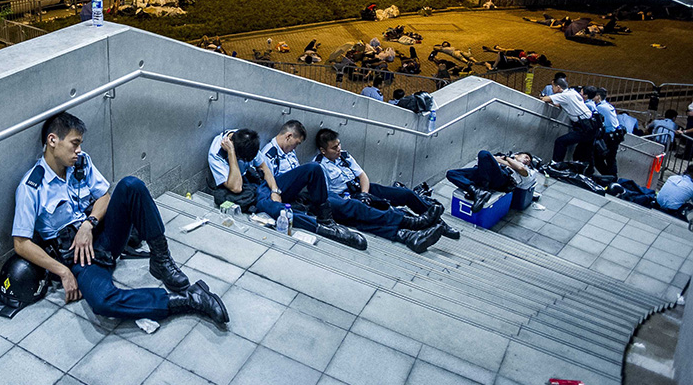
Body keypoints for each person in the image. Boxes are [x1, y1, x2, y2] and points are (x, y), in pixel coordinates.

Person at [12, 112, 228, 324]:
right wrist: (63, 272)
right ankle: (190, 299)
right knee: (103, 302)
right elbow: (21, 244)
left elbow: (104, 196)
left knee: (131, 185)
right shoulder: (31, 187)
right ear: (52, 140)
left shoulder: (81, 162)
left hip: (102, 235)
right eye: (74, 143)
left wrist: (89, 223)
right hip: (79, 258)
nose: (79, 150)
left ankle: (161, 260)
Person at [208, 121, 367, 249]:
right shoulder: (217, 154)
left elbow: (264, 168)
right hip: (246, 191)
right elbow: (236, 187)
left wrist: (275, 190)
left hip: (259, 183)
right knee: (279, 210)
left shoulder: (244, 138)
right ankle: (321, 228)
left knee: (313, 168)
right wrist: (231, 154)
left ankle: (326, 220)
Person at [312, 129, 449, 252]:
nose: (339, 149)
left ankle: (436, 222)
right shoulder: (319, 166)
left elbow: (362, 176)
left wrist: (364, 194)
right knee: (367, 214)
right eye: (334, 148)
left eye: (339, 145)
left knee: (405, 194)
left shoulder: (344, 156)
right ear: (323, 150)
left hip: (361, 189)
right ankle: (410, 231)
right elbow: (328, 196)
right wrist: (356, 199)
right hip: (346, 198)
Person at [446, 150, 536, 213]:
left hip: (502, 179)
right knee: (451, 174)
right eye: (526, 157)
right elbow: (483, 160)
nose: (527, 160)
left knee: (484, 153)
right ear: (517, 155)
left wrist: (506, 158)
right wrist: (500, 160)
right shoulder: (500, 157)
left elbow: (520, 168)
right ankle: (476, 191)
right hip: (486, 174)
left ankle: (482, 189)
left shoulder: (527, 170)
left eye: (529, 161)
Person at [542, 78, 596, 166]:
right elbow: (563, 103)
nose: (552, 89)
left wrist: (543, 96)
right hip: (591, 125)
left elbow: (545, 99)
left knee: (560, 142)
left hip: (584, 127)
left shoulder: (565, 95)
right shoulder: (572, 92)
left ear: (558, 87)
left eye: (553, 86)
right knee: (582, 154)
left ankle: (556, 165)